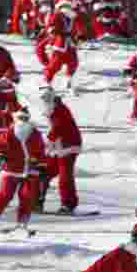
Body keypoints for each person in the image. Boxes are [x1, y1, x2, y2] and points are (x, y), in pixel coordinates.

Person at [0, 108, 44, 229]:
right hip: (11, 170)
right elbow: (0, 148)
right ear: (16, 119)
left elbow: (40, 151)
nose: (22, 121)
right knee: (5, 194)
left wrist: (37, 162)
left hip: (29, 171)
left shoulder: (35, 134)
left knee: (27, 196)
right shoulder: (8, 133)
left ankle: (23, 221)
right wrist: (0, 158)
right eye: (20, 118)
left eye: (25, 118)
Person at [37, 86, 82, 214]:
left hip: (69, 145)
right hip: (58, 146)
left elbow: (58, 127)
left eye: (47, 97)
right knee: (44, 172)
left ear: (52, 96)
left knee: (65, 176)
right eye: (42, 98)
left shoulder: (60, 109)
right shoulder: (51, 108)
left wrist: (49, 142)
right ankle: (37, 201)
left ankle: (68, 204)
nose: (44, 100)